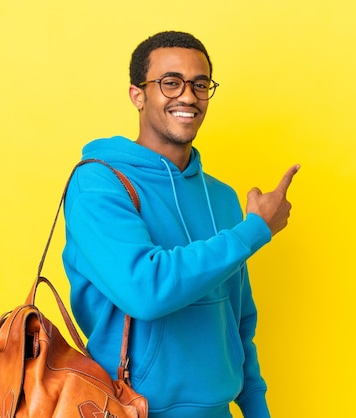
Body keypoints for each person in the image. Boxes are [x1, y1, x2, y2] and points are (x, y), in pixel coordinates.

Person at [62, 30, 299, 418]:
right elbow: (145, 291)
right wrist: (255, 230)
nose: (188, 96)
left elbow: (238, 318)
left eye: (200, 84)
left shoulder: (221, 197)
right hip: (129, 410)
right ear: (137, 95)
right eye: (170, 83)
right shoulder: (98, 184)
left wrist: (257, 408)